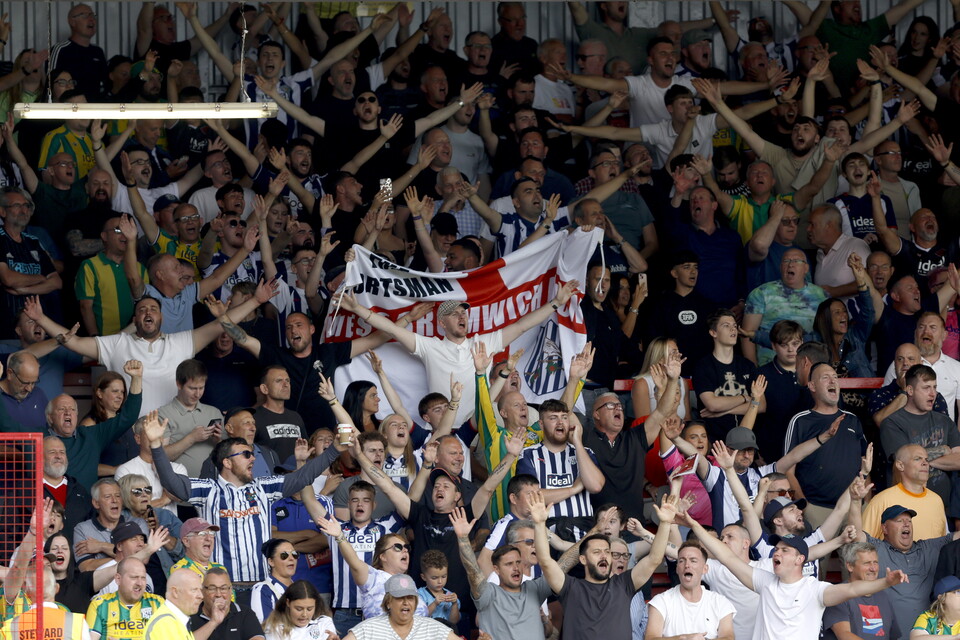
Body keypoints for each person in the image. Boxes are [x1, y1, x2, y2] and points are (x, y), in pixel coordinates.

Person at [146, 408, 350, 585]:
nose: (252, 457)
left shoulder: (264, 487)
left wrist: (334, 451)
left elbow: (302, 477)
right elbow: (172, 482)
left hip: (262, 583)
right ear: (226, 462)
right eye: (245, 454)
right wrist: (156, 445)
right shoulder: (208, 490)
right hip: (223, 587)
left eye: (251, 453)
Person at [338, 279, 578, 428]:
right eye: (455, 314)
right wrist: (357, 308)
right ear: (442, 323)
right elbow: (389, 328)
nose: (462, 317)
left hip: (480, 427)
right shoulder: (430, 346)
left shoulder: (483, 343)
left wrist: (555, 302)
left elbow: (521, 326)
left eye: (464, 313)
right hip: (444, 430)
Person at [683, 507, 909, 640]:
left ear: (800, 559)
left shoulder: (815, 589)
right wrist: (693, 524)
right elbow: (727, 557)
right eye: (776, 549)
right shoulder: (764, 581)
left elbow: (852, 588)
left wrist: (885, 582)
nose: (776, 553)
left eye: (784, 550)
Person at [531, 486, 676, 638]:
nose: (604, 555)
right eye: (596, 552)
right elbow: (546, 562)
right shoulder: (571, 587)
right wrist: (539, 523)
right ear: (583, 559)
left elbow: (654, 559)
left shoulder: (624, 584)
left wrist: (665, 523)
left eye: (607, 552)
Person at [451, 506, 549, 640]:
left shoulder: (535, 588)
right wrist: (463, 538)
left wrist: (588, 536)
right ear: (496, 569)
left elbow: (564, 564)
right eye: (509, 564)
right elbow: (473, 571)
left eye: (518, 563)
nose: (516, 568)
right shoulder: (490, 593)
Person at [879, 365, 960, 508]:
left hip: (943, 507)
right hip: (907, 508)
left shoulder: (945, 421)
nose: (932, 393)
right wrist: (943, 450)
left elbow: (958, 460)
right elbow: (905, 462)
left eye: (935, 387)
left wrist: (922, 461)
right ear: (910, 390)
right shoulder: (892, 423)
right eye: (926, 388)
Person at [645, 541, 737, 640]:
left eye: (693, 561)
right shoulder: (661, 601)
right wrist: (683, 638)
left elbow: (728, 637)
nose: (687, 565)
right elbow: (651, 638)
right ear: (677, 569)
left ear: (705, 569)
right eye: (681, 561)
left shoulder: (720, 602)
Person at [862, 444, 948, 540]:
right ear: (900, 465)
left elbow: (943, 543)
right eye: (917, 459)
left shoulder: (936, 500)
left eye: (926, 459)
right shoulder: (882, 500)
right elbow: (863, 544)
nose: (925, 463)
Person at [821, 541, 902, 640]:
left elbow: (892, 637)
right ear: (850, 566)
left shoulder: (883, 596)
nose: (873, 568)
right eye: (867, 563)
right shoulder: (839, 595)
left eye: (875, 562)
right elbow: (844, 635)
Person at [340, 574, 459, 640]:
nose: (406, 602)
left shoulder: (432, 627)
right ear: (388, 602)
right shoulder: (368, 628)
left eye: (410, 597)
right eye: (400, 597)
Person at [85, 557, 165, 640]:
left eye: (143, 578)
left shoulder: (157, 603)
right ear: (118, 579)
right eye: (134, 577)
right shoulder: (100, 605)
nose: (140, 583)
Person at [188, 567, 265, 640]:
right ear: (202, 590)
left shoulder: (244, 613)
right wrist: (214, 622)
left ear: (230, 590)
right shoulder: (190, 613)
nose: (218, 594)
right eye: (212, 589)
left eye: (223, 588)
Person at [262, 580, 336, 640]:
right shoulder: (275, 628)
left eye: (309, 609)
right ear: (288, 603)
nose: (304, 614)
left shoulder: (324, 622)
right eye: (299, 609)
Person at [144, 569, 205, 640]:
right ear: (175, 592)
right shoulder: (166, 624)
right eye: (194, 590)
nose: (201, 596)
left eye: (200, 590)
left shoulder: (175, 621)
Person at [251, 539, 299, 624]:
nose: (291, 558)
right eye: (284, 555)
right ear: (271, 561)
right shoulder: (262, 590)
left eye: (294, 554)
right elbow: (264, 626)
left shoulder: (301, 587)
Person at [417, 551, 460, 624]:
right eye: (434, 578)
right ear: (424, 577)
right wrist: (435, 603)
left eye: (443, 576)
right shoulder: (420, 595)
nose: (440, 581)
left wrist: (454, 604)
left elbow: (454, 621)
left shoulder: (450, 595)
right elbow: (419, 618)